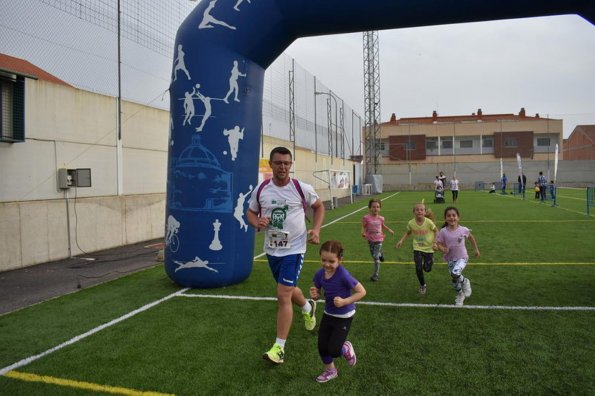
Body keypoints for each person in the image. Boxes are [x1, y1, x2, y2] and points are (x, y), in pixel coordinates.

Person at [246, 146, 325, 364]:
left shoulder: (301, 188)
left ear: (291, 165)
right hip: (272, 250)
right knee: (288, 290)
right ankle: (308, 307)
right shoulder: (261, 190)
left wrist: (316, 230)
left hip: (295, 249)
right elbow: (251, 212)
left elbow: (318, 207)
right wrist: (257, 223)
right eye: (278, 162)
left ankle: (279, 348)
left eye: (286, 163)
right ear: (270, 164)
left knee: (282, 294)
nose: (282, 166)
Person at [309, 240, 366, 383]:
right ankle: (330, 371)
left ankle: (345, 347)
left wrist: (345, 301)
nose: (327, 264)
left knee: (334, 350)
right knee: (322, 347)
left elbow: (362, 292)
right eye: (323, 260)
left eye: (331, 261)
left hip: (344, 316)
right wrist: (315, 295)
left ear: (340, 260)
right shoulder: (319, 274)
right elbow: (318, 293)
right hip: (328, 313)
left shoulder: (343, 275)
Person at [435, 207, 480, 306]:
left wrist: (476, 249)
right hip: (450, 259)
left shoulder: (463, 229)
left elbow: (471, 238)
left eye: (454, 215)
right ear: (445, 218)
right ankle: (460, 295)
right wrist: (442, 249)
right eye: (449, 216)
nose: (451, 218)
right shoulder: (443, 231)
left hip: (462, 257)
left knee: (455, 273)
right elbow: (438, 244)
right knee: (454, 279)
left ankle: (465, 281)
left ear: (458, 217)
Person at [395, 202, 437, 294]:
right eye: (417, 210)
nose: (419, 211)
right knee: (418, 268)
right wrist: (401, 241)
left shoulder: (429, 222)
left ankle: (430, 260)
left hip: (429, 248)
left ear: (425, 212)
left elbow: (436, 231)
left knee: (427, 269)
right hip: (417, 248)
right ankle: (423, 285)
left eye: (422, 209)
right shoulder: (411, 223)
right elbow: (408, 232)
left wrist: (435, 242)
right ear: (413, 211)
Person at [361, 199, 394, 281]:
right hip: (370, 239)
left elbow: (383, 225)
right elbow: (364, 227)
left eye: (377, 207)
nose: (376, 208)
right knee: (374, 255)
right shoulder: (366, 218)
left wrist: (389, 229)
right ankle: (380, 254)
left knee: (376, 258)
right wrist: (363, 233)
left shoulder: (381, 218)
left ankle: (375, 275)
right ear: (370, 208)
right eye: (374, 207)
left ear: (380, 208)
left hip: (379, 239)